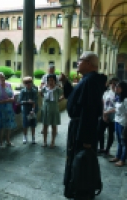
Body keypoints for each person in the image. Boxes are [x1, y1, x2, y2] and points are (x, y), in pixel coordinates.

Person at [60, 51, 107, 200]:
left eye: (80, 60)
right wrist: (66, 83)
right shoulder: (88, 80)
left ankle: (80, 191)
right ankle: (76, 188)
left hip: (82, 130)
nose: (77, 62)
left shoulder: (90, 82)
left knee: (81, 161)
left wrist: (86, 140)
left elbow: (90, 111)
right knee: (76, 159)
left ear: (88, 63)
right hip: (80, 127)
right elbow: (76, 97)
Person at [97, 77, 119, 156]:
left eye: (115, 84)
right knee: (100, 132)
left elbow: (117, 107)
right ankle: (102, 148)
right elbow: (103, 103)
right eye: (111, 83)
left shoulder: (118, 94)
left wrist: (107, 112)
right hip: (104, 116)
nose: (113, 85)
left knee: (110, 134)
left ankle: (107, 149)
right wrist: (103, 113)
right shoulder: (106, 92)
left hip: (113, 118)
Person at [0, 72, 16, 148]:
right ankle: (0, 141)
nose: (2, 78)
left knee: (9, 125)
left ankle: (8, 140)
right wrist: (5, 101)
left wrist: (12, 99)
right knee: (1, 125)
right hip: (1, 108)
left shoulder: (8, 85)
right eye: (0, 77)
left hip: (9, 108)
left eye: (3, 77)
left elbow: (13, 95)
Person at [41, 74, 63, 148]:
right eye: (49, 80)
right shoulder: (45, 88)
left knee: (54, 126)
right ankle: (44, 141)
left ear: (55, 81)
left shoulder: (57, 89)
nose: (50, 82)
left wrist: (59, 100)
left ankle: (53, 141)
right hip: (46, 108)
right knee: (45, 125)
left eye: (52, 80)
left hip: (54, 108)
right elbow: (41, 94)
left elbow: (64, 94)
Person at [109, 81, 127, 167]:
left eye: (118, 87)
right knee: (119, 141)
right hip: (117, 121)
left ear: (123, 89)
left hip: (123, 123)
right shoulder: (118, 97)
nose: (116, 88)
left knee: (124, 142)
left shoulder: (126, 99)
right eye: (116, 86)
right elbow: (116, 109)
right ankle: (117, 156)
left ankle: (123, 159)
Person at [18, 76, 38, 144]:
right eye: (26, 82)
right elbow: (19, 101)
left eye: (29, 82)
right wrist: (27, 101)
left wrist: (33, 109)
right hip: (25, 109)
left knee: (33, 124)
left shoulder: (34, 91)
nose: (28, 84)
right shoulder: (23, 91)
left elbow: (35, 100)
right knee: (25, 124)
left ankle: (33, 137)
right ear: (24, 83)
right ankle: (25, 136)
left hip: (32, 109)